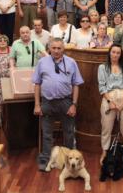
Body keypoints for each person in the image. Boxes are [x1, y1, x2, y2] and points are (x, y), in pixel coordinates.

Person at [33, 38, 84, 171]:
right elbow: (37, 84)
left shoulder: (71, 63)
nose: (56, 51)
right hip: (47, 102)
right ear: (49, 48)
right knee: (47, 132)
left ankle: (68, 161)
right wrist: (37, 105)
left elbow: (76, 84)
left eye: (59, 48)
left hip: (66, 102)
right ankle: (45, 159)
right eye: (53, 48)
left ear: (63, 49)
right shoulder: (42, 62)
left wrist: (74, 104)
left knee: (68, 132)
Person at [98, 44, 123, 166]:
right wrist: (110, 102)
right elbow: (102, 87)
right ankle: (104, 151)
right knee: (106, 128)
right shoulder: (102, 68)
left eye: (118, 53)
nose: (115, 55)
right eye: (113, 52)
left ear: (121, 54)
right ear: (109, 53)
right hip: (108, 98)